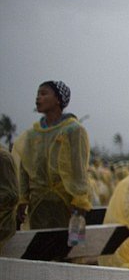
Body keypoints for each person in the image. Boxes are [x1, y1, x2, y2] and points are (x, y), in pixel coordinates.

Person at [17, 81, 91, 229]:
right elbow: (24, 167)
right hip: (38, 203)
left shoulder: (74, 130)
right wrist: (22, 199)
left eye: (44, 94)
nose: (38, 98)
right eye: (37, 94)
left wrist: (79, 199)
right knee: (39, 246)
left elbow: (79, 168)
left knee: (66, 247)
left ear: (58, 100)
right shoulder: (33, 134)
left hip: (65, 202)